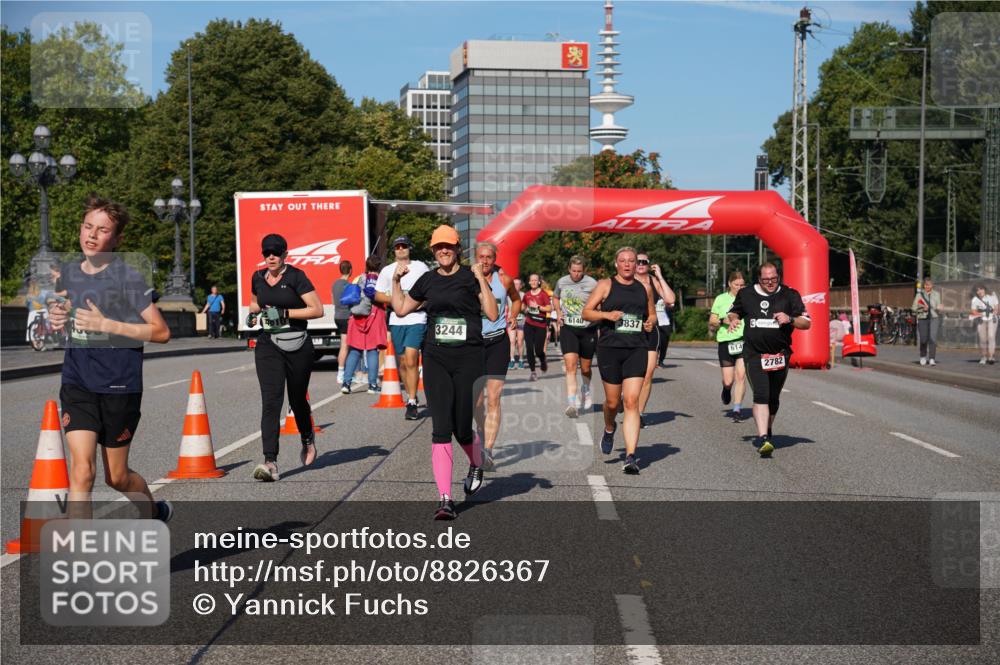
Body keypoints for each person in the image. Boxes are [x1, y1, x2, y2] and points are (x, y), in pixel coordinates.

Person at [46, 195, 173, 521]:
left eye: (102, 230)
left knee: (116, 477)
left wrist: (107, 325)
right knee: (82, 471)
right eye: (88, 226)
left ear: (117, 239)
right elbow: (67, 308)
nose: (92, 235)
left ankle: (153, 513)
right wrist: (58, 315)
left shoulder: (127, 278)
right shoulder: (70, 273)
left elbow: (161, 332)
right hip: (78, 382)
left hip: (119, 385)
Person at [390, 225, 499, 519]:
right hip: (436, 357)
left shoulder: (470, 277)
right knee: (441, 428)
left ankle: (477, 462)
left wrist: (481, 278)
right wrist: (396, 281)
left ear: (457, 249)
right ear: (433, 250)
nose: (443, 251)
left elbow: (492, 313)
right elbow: (401, 309)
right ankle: (445, 499)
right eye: (439, 247)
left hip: (469, 358)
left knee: (461, 428)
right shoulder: (427, 280)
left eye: (448, 246)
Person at [246, 233, 325, 481]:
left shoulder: (296, 277)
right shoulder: (257, 277)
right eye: (266, 253)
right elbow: (255, 304)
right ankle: (270, 461)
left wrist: (285, 313)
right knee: (271, 401)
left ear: (285, 255)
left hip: (298, 345)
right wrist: (253, 315)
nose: (271, 257)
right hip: (268, 344)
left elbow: (317, 309)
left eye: (276, 253)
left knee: (297, 399)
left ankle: (307, 437)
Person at [725, 263, 811, 458]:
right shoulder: (746, 294)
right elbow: (733, 311)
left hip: (780, 354)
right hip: (754, 353)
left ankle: (768, 429)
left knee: (773, 398)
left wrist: (790, 319)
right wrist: (734, 319)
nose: (770, 283)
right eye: (765, 280)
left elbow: (806, 323)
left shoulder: (790, 295)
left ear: (778, 277)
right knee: (761, 394)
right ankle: (763, 438)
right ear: (759, 279)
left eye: (773, 279)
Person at [583, 247, 655, 474]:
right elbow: (587, 312)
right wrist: (607, 315)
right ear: (616, 264)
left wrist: (650, 322)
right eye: (623, 261)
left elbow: (652, 314)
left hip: (637, 348)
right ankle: (609, 427)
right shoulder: (605, 285)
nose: (627, 264)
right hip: (610, 349)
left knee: (631, 401)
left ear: (636, 264)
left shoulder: (645, 288)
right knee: (613, 403)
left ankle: (630, 456)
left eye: (631, 261)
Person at [472, 242, 521, 470]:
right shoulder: (468, 279)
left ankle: (488, 451)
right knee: (477, 402)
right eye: (481, 256)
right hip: (473, 344)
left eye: (489, 257)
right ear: (475, 257)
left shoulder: (504, 280)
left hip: (497, 342)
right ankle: (481, 432)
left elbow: (516, 300)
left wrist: (514, 315)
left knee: (494, 397)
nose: (485, 261)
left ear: (494, 259)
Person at [375, 236, 430, 420]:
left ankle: (412, 402)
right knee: (403, 363)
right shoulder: (387, 270)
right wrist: (397, 300)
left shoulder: (420, 267)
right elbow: (377, 295)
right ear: (394, 250)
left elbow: (429, 289)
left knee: (412, 358)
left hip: (417, 318)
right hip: (397, 320)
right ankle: (410, 395)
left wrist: (418, 302)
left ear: (409, 248)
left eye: (404, 246)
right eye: (397, 247)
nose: (401, 249)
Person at [552, 256, 599, 418]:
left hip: (588, 329)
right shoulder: (562, 282)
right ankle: (572, 403)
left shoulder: (592, 283)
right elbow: (556, 297)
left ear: (584, 270)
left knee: (585, 368)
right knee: (571, 366)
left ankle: (585, 390)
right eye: (573, 271)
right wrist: (558, 312)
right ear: (569, 269)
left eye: (579, 271)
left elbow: (600, 300)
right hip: (569, 328)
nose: (576, 274)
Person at [634, 253, 675, 428]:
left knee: (648, 374)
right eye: (637, 261)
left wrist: (660, 276)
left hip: (652, 330)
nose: (640, 264)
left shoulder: (654, 281)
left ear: (649, 264)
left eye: (644, 262)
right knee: (629, 374)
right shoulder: (626, 280)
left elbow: (670, 299)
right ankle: (625, 399)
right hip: (630, 332)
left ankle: (639, 413)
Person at [342, 256, 387, 395]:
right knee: (372, 350)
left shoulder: (359, 278)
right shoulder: (381, 279)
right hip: (375, 315)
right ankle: (372, 385)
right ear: (379, 266)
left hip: (357, 316)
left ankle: (346, 383)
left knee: (355, 350)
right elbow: (384, 298)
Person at [708, 272, 748, 419]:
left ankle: (737, 409)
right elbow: (712, 320)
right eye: (736, 285)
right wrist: (721, 321)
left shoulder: (748, 298)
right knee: (728, 380)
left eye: (742, 285)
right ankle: (726, 389)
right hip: (726, 341)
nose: (739, 287)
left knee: (741, 376)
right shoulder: (721, 299)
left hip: (744, 340)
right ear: (730, 284)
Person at [521, 274, 552, 381]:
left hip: (540, 325)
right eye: (532, 280)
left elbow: (549, 308)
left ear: (539, 282)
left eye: (535, 280)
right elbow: (523, 306)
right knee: (529, 348)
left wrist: (538, 307)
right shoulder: (527, 295)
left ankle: (543, 360)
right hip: (529, 324)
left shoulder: (543, 294)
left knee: (538, 350)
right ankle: (533, 372)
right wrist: (525, 309)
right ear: (529, 282)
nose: (533, 282)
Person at [332, 260, 353, 385]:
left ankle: (343, 371)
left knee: (344, 345)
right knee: (346, 346)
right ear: (350, 270)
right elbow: (352, 303)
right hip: (346, 317)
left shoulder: (335, 284)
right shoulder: (348, 286)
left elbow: (333, 300)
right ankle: (341, 373)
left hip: (337, 316)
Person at [913, 278, 943, 366]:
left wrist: (940, 308)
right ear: (924, 285)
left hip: (934, 318)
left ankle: (932, 358)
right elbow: (913, 308)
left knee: (933, 338)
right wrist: (922, 308)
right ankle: (923, 356)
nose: (927, 286)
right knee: (923, 339)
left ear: (932, 285)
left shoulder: (937, 294)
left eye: (929, 285)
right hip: (922, 318)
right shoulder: (919, 295)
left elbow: (938, 308)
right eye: (926, 285)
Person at [971, 284, 998, 365]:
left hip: (992, 319)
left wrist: (995, 311)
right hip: (981, 320)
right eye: (977, 290)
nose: (979, 291)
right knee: (982, 339)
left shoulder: (992, 296)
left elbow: (997, 307)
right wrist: (979, 314)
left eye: (981, 289)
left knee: (991, 336)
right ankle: (983, 356)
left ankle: (991, 356)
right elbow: (973, 311)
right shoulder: (975, 299)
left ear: (984, 289)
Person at [508, 277, 526, 370]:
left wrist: (523, 307)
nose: (516, 286)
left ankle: (521, 360)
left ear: (521, 286)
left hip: (521, 320)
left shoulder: (524, 295)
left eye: (518, 284)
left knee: (520, 341)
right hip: (511, 320)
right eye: (514, 284)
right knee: (511, 341)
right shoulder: (508, 295)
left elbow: (525, 308)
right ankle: (511, 360)